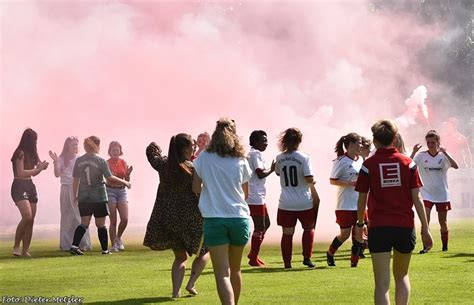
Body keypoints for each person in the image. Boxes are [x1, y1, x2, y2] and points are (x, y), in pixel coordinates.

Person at [355, 119, 433, 305]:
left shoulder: (369, 165)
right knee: (402, 276)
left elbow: (361, 198)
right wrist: (425, 227)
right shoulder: (408, 163)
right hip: (404, 227)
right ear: (395, 138)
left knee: (381, 285)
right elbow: (418, 199)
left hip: (379, 227)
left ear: (375, 140)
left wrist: (360, 224)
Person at [192, 118, 251, 305]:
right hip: (239, 218)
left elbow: (195, 188)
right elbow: (246, 192)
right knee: (236, 270)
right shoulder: (240, 159)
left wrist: (211, 192)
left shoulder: (203, 158)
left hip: (215, 219)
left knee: (222, 274)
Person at [144, 134, 209, 299]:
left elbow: (151, 150)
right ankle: (191, 283)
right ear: (185, 149)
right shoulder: (193, 168)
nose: (194, 148)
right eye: (192, 146)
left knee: (180, 256)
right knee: (205, 251)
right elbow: (199, 191)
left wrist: (161, 146)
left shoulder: (164, 164)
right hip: (191, 218)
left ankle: (175, 292)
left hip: (169, 218)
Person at [69, 136, 131, 255]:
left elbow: (75, 179)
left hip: (84, 196)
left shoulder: (79, 160)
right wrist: (125, 182)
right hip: (98, 196)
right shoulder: (100, 161)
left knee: (84, 223)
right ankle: (105, 250)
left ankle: (74, 245)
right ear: (97, 146)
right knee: (101, 224)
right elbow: (109, 177)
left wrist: (75, 195)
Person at [274, 128, 320, 269]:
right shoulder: (304, 157)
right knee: (308, 229)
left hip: (286, 202)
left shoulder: (279, 157)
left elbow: (277, 173)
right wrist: (312, 181)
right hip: (304, 201)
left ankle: (287, 264)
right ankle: (307, 258)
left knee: (287, 233)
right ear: (299, 141)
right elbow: (309, 178)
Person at [411, 130, 459, 253]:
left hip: (442, 194)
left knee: (442, 221)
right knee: (425, 221)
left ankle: (444, 247)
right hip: (426, 193)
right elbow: (407, 165)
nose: (430, 144)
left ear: (438, 142)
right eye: (428, 142)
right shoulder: (421, 156)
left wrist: (446, 153)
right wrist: (413, 152)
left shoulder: (443, 156)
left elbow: (456, 165)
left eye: (432, 142)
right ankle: (426, 247)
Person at [326, 133, 364, 267]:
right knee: (345, 235)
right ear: (351, 145)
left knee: (359, 233)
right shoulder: (341, 161)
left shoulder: (361, 160)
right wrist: (350, 183)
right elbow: (332, 180)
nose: (361, 145)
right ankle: (330, 253)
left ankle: (354, 264)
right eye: (359, 143)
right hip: (345, 204)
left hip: (359, 203)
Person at [11, 128, 49, 257]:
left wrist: (41, 168)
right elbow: (21, 172)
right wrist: (37, 169)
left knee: (31, 219)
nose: (35, 143)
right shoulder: (19, 153)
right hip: (19, 185)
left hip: (30, 185)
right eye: (34, 140)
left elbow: (34, 173)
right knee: (27, 216)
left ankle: (25, 250)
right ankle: (16, 246)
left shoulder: (32, 154)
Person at [49, 137, 91, 251]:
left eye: (76, 145)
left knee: (80, 216)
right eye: (73, 145)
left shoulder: (80, 159)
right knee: (67, 217)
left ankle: (83, 243)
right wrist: (55, 162)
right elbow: (57, 174)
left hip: (78, 188)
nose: (75, 147)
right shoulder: (62, 159)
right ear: (67, 146)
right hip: (66, 188)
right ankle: (67, 244)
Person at [246, 130, 275, 267]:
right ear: (255, 142)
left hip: (258, 195)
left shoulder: (254, 153)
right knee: (260, 226)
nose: (266, 143)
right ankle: (253, 258)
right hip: (254, 196)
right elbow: (260, 174)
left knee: (266, 224)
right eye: (263, 140)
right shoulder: (254, 154)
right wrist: (272, 169)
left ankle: (253, 254)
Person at [106, 141, 133, 251]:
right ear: (110, 152)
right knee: (113, 220)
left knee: (125, 219)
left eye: (117, 150)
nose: (115, 152)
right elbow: (109, 178)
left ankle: (118, 238)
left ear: (120, 151)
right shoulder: (106, 163)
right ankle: (113, 245)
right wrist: (124, 181)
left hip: (122, 191)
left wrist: (128, 175)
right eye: (113, 150)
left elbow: (126, 180)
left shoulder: (123, 162)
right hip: (110, 190)